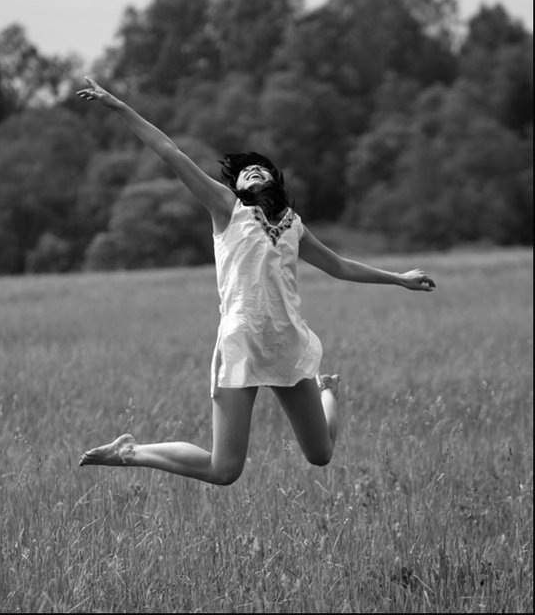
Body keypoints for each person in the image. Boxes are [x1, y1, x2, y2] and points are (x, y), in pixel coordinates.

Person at [76, 76, 436, 485]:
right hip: (242, 342)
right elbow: (170, 151)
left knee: (320, 454)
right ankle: (129, 451)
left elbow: (338, 265)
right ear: (236, 185)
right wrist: (117, 105)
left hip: (286, 340)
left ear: (274, 181)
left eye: (260, 168)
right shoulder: (226, 208)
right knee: (224, 470)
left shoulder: (293, 224)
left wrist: (399, 278)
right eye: (245, 171)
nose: (252, 170)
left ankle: (328, 390)